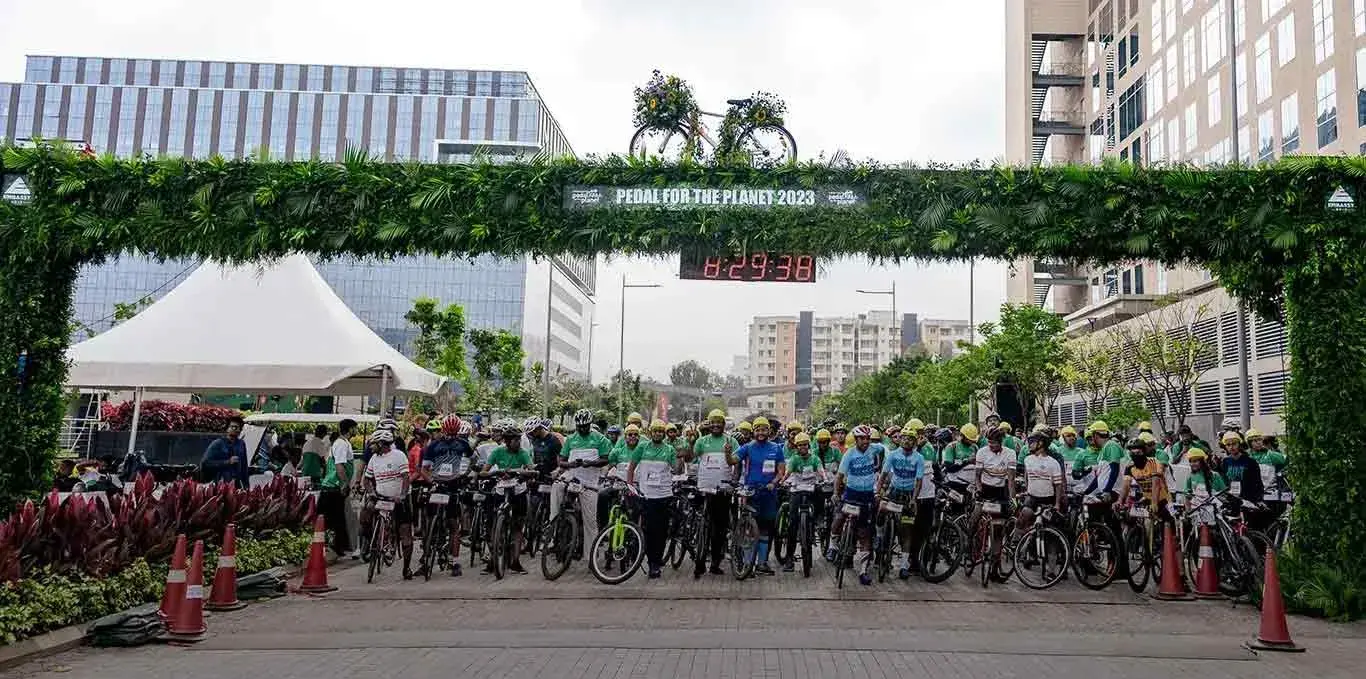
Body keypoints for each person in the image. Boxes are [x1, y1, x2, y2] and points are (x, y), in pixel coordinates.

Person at [625, 419, 681, 579]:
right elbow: (631, 467)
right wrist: (630, 486)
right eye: (655, 431)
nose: (658, 434)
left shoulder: (669, 449)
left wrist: (679, 457)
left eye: (660, 431)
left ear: (663, 434)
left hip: (664, 496)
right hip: (646, 496)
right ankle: (652, 563)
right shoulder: (642, 447)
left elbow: (676, 470)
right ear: (650, 433)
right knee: (649, 530)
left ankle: (657, 561)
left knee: (661, 532)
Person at [828, 424, 881, 586]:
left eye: (867, 439)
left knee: (864, 534)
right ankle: (833, 545)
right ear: (856, 439)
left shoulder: (877, 450)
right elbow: (839, 476)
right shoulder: (849, 453)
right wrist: (836, 494)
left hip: (867, 496)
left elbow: (889, 455)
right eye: (862, 439)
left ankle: (863, 571)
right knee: (839, 516)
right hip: (851, 494)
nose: (865, 441)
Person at [733, 416, 786, 575]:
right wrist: (728, 453)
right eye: (758, 429)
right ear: (753, 431)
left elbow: (781, 471)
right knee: (749, 529)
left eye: (764, 429)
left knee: (765, 530)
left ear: (768, 431)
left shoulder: (776, 448)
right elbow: (732, 461)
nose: (761, 432)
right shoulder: (747, 448)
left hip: (769, 494)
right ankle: (748, 564)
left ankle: (762, 563)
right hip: (751, 493)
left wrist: (774, 482)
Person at [360, 429, 416, 578]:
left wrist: (402, 495)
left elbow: (405, 477)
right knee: (365, 512)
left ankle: (406, 568)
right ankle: (368, 541)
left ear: (382, 444)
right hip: (381, 498)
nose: (371, 447)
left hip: (398, 500)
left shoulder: (399, 456)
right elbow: (366, 480)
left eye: (374, 444)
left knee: (405, 532)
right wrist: (371, 493)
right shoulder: (374, 458)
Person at [482, 421, 534, 574]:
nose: (518, 442)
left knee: (518, 527)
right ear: (506, 441)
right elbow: (484, 471)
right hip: (500, 490)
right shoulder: (497, 452)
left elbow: (531, 468)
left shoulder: (523, 453)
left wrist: (527, 473)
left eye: (519, 439)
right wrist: (492, 473)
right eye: (515, 439)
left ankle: (515, 561)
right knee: (491, 524)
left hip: (518, 490)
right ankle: (492, 560)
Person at [691, 410, 739, 578]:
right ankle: (699, 561)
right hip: (704, 488)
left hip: (722, 491)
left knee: (719, 529)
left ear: (724, 425)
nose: (716, 425)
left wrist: (734, 481)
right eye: (713, 422)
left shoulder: (732, 441)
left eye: (719, 422)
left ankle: (715, 563)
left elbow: (737, 464)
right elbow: (691, 457)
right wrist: (689, 443)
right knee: (702, 525)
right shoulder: (701, 441)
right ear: (709, 424)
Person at [560, 409, 613, 554]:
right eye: (579, 426)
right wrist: (570, 465)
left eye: (585, 426)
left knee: (590, 521)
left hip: (590, 484)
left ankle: (590, 554)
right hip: (573, 479)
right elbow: (561, 461)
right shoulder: (570, 439)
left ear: (590, 424)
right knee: (557, 491)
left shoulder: (600, 439)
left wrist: (591, 463)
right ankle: (557, 532)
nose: (582, 429)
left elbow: (606, 459)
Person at [879, 427, 924, 579]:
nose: (907, 441)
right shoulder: (892, 455)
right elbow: (884, 474)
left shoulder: (918, 458)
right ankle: (881, 545)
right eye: (904, 438)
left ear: (915, 442)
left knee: (906, 531)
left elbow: (919, 481)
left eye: (910, 439)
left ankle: (904, 565)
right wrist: (878, 492)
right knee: (881, 511)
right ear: (900, 439)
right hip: (893, 493)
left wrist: (914, 499)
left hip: (908, 496)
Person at [318, 419, 358, 558]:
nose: (356, 431)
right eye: (355, 428)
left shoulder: (344, 443)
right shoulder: (341, 444)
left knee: (337, 518)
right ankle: (334, 547)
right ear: (350, 429)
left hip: (334, 487)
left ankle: (337, 547)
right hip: (333, 487)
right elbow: (340, 466)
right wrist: (344, 484)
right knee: (334, 519)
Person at [1119, 438, 1170, 521]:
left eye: (1138, 453)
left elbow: (1156, 485)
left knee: (1166, 522)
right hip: (1147, 498)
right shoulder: (1130, 467)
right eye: (1133, 453)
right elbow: (1126, 486)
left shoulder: (1154, 462)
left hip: (1162, 498)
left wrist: (1154, 503)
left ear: (1144, 452)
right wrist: (1120, 501)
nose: (1135, 455)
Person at [200, 416, 249, 486]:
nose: (237, 430)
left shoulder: (241, 444)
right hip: (221, 485)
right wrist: (227, 462)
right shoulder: (218, 443)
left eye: (239, 428)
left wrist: (246, 486)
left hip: (237, 485)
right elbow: (205, 463)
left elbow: (244, 466)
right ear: (227, 428)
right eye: (234, 427)